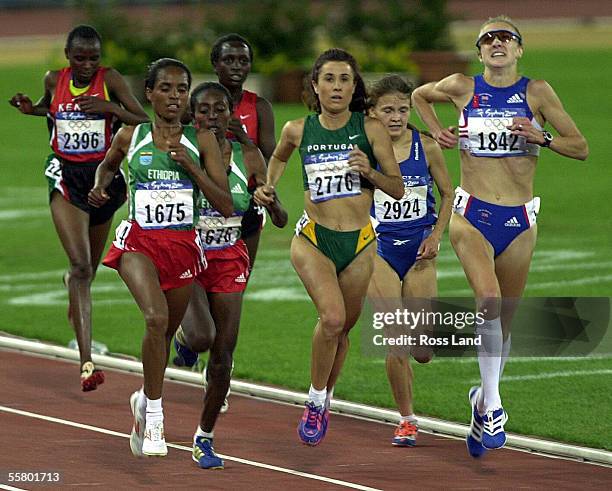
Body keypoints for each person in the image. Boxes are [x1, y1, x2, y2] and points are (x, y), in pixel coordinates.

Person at [412, 15, 588, 456]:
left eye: (505, 38)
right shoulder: (461, 87)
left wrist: (541, 137)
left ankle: (481, 398)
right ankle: (492, 406)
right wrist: (435, 129)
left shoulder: (537, 92)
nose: (496, 43)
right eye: (487, 38)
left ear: (519, 49)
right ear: (479, 51)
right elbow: (418, 94)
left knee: (502, 319)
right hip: (471, 214)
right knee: (487, 300)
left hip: (520, 220)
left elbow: (580, 147)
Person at [255, 48, 404, 446]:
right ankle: (316, 400)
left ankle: (326, 394)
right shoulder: (297, 130)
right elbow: (279, 157)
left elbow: (397, 186)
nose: (336, 87)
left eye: (344, 80)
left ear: (354, 87)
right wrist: (269, 187)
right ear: (315, 85)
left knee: (343, 331)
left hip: (359, 242)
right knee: (333, 320)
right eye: (329, 79)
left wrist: (368, 170)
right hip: (314, 240)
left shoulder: (370, 130)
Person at [88, 58, 232, 458]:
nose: (174, 96)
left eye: (182, 89)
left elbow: (222, 203)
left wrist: (193, 170)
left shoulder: (200, 140)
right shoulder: (130, 135)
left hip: (183, 247)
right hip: (139, 243)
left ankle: (141, 401)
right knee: (155, 318)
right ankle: (154, 417)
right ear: (149, 93)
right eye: (165, 88)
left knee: (165, 336)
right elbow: (108, 165)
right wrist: (102, 186)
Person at [8, 25, 149, 391]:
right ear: (67, 57)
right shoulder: (55, 79)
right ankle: (86, 362)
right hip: (66, 177)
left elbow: (145, 121)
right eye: (79, 58)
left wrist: (108, 107)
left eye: (93, 58)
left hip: (103, 178)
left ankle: (74, 286)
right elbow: (52, 111)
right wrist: (31, 110)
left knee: (87, 271)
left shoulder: (111, 80)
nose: (87, 65)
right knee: (82, 265)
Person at [173, 82, 283, 469]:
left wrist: (265, 199)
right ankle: (184, 337)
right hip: (189, 253)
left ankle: (204, 438)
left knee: (222, 358)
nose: (212, 118)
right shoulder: (181, 152)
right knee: (203, 336)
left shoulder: (247, 154)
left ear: (231, 114)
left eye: (220, 110)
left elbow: (279, 216)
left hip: (229, 257)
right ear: (192, 115)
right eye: (203, 111)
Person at [365, 75, 453, 447]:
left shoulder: (427, 148)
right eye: (388, 110)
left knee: (423, 350)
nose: (397, 116)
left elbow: (448, 193)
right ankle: (406, 419)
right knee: (396, 339)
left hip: (419, 250)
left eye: (403, 109)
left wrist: (436, 236)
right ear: (373, 113)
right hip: (378, 251)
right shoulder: (363, 152)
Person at [210, 33, 279, 268]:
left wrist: (243, 139)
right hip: (206, 202)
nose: (237, 66)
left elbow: (271, 156)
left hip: (247, 201)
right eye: (229, 60)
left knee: (239, 277)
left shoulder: (259, 106)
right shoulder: (199, 106)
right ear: (215, 64)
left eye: (243, 60)